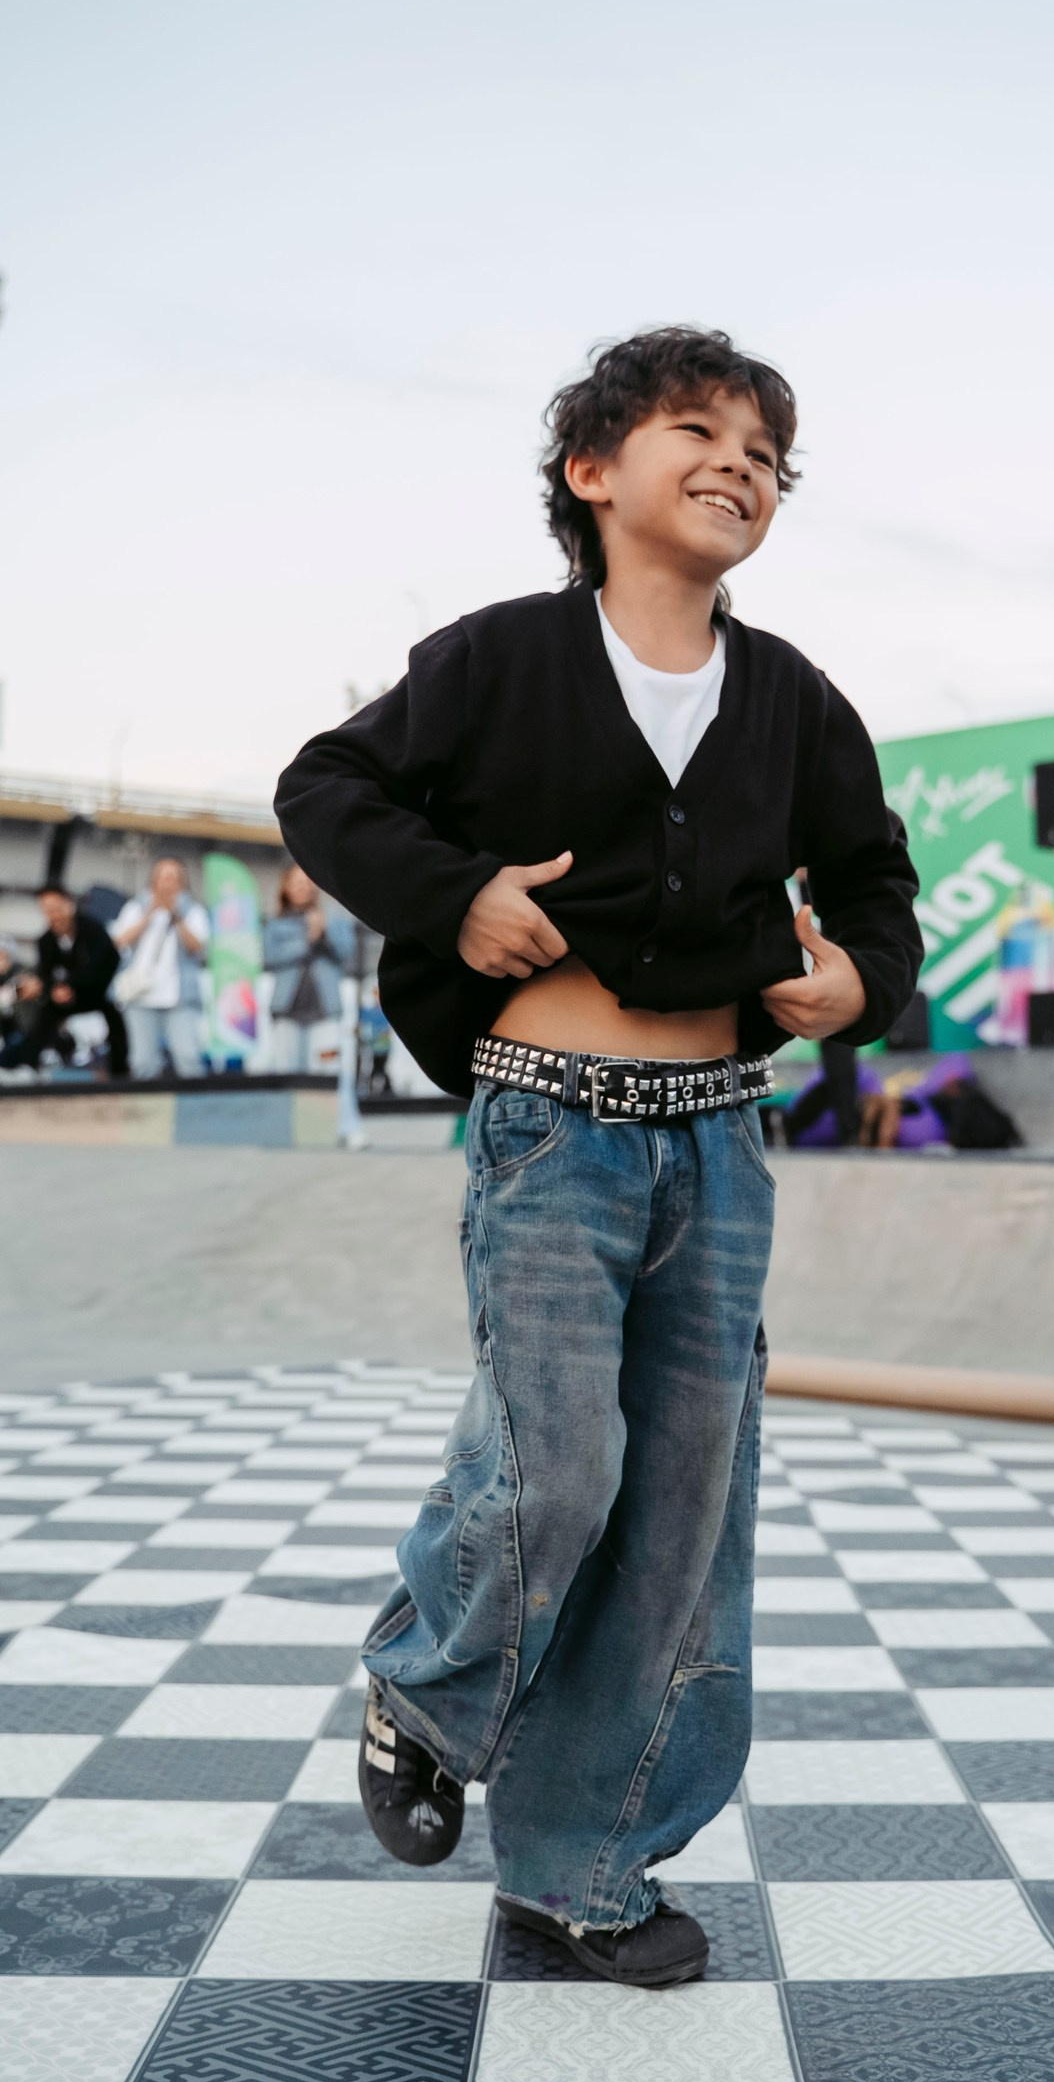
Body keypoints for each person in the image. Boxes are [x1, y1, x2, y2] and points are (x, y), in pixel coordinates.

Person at [276, 325, 921, 1986]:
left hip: (720, 1138)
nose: (738, 465)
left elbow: (873, 881)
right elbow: (325, 788)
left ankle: (579, 1864)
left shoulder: (794, 698)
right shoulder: (497, 658)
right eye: (696, 432)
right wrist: (456, 898)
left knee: (682, 1518)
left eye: (765, 454)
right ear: (590, 471)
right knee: (558, 1464)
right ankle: (424, 1682)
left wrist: (856, 979)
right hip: (547, 1123)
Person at [110, 856, 210, 1078]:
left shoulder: (193, 910)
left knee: (188, 1056)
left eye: (173, 877)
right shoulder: (136, 906)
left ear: (183, 882)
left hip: (180, 997)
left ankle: (193, 1098)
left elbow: (198, 948)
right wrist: (149, 914)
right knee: (142, 1061)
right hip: (140, 995)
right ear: (153, 880)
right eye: (163, 877)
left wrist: (177, 917)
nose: (167, 882)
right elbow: (119, 941)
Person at [263, 863, 356, 1072]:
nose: (302, 887)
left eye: (307, 882)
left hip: (326, 1012)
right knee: (286, 1072)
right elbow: (269, 957)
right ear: (286, 887)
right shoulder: (275, 923)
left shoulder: (333, 918)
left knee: (328, 1071)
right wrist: (307, 939)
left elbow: (347, 954)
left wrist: (324, 933)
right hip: (286, 1011)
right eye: (296, 882)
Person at [34, 884, 129, 1076]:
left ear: (69, 905)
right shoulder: (46, 941)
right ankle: (30, 1065)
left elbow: (102, 965)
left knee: (115, 1019)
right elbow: (45, 974)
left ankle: (120, 1072)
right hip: (69, 995)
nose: (53, 916)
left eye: (56, 909)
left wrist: (70, 985)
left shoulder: (93, 929)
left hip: (102, 991)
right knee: (45, 1014)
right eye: (47, 911)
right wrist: (54, 990)